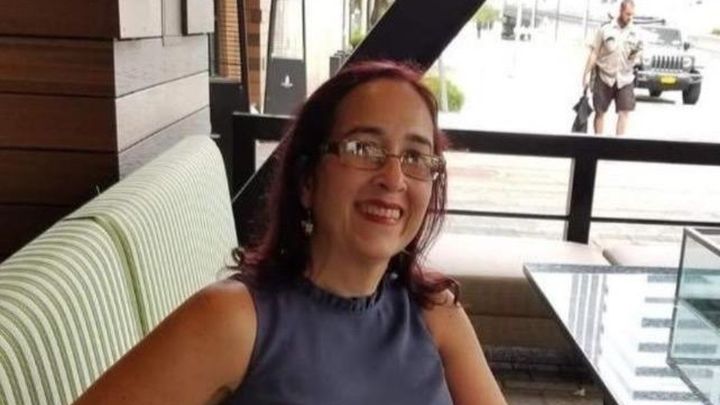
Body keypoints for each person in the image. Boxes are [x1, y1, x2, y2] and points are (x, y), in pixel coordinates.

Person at [73, 60, 508, 405]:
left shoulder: (435, 314)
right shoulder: (234, 320)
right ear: (307, 180)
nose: (393, 178)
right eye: (363, 148)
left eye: (415, 157)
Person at [582, 0, 642, 136]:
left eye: (632, 15)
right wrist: (585, 74)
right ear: (620, 11)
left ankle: (618, 144)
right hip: (604, 77)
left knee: (624, 112)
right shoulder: (605, 29)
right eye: (627, 14)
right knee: (600, 112)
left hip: (625, 78)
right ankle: (599, 142)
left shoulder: (636, 32)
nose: (630, 18)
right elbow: (594, 53)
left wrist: (636, 55)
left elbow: (639, 52)